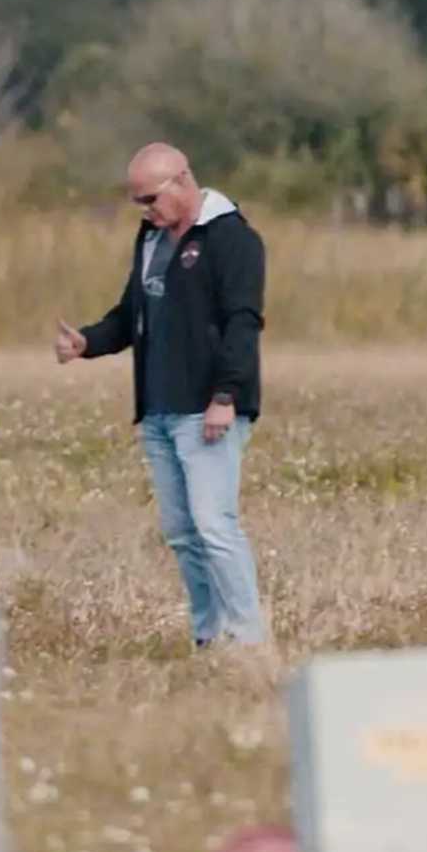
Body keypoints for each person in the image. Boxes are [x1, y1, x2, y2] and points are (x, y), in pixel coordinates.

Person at [54, 142, 270, 648]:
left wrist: (226, 395)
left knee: (214, 526)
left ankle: (249, 637)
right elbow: (134, 313)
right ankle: (209, 634)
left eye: (150, 198)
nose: (145, 210)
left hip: (208, 408)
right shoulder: (151, 238)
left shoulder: (232, 239)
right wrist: (87, 343)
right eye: (138, 203)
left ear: (181, 180)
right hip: (158, 409)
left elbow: (244, 323)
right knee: (182, 532)